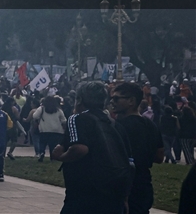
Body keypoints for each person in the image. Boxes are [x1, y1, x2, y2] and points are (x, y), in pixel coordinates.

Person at [52, 81, 133, 214]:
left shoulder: (77, 119)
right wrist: (125, 197)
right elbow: (129, 162)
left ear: (79, 100)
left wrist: (61, 156)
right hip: (114, 193)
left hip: (84, 193)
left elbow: (79, 148)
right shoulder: (115, 125)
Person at [112, 81, 163, 214]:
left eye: (117, 98)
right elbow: (159, 156)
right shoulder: (151, 126)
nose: (112, 102)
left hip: (123, 187)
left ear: (131, 101)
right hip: (144, 184)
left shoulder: (118, 127)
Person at [32, 95, 67, 162]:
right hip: (56, 130)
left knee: (42, 143)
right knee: (53, 145)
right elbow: (64, 120)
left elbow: (35, 116)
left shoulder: (41, 109)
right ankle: (52, 157)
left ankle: (42, 153)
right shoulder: (58, 110)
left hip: (44, 129)